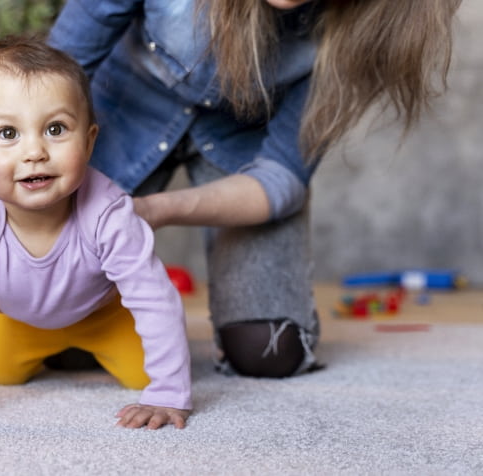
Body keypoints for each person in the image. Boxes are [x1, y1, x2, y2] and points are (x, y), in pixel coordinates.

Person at [28, 0, 459, 377]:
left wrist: (154, 210)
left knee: (269, 349)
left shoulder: (367, 24)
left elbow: (282, 175)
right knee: (62, 342)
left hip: (243, 147)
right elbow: (47, 83)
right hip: (119, 111)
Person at [0, 35, 192, 445]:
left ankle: (84, 347)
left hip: (103, 316)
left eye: (56, 129)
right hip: (21, 320)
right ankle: (58, 350)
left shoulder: (109, 214)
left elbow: (154, 297)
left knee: (143, 374)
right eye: (8, 133)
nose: (35, 151)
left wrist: (169, 390)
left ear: (89, 140)